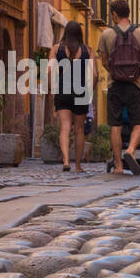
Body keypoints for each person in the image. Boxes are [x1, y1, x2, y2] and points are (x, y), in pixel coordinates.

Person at [98, 0, 140, 175]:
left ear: (114, 14)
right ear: (128, 13)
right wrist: (139, 74)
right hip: (135, 85)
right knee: (138, 123)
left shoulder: (106, 35)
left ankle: (119, 166)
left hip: (115, 85)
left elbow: (104, 61)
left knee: (115, 125)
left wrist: (114, 72)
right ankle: (130, 150)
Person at [53, 20, 95, 173]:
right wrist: (90, 90)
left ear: (66, 32)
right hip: (81, 91)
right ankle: (77, 165)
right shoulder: (88, 51)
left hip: (63, 90)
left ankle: (65, 162)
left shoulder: (56, 49)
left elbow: (50, 71)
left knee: (64, 127)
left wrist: (53, 87)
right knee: (79, 129)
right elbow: (94, 75)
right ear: (80, 34)